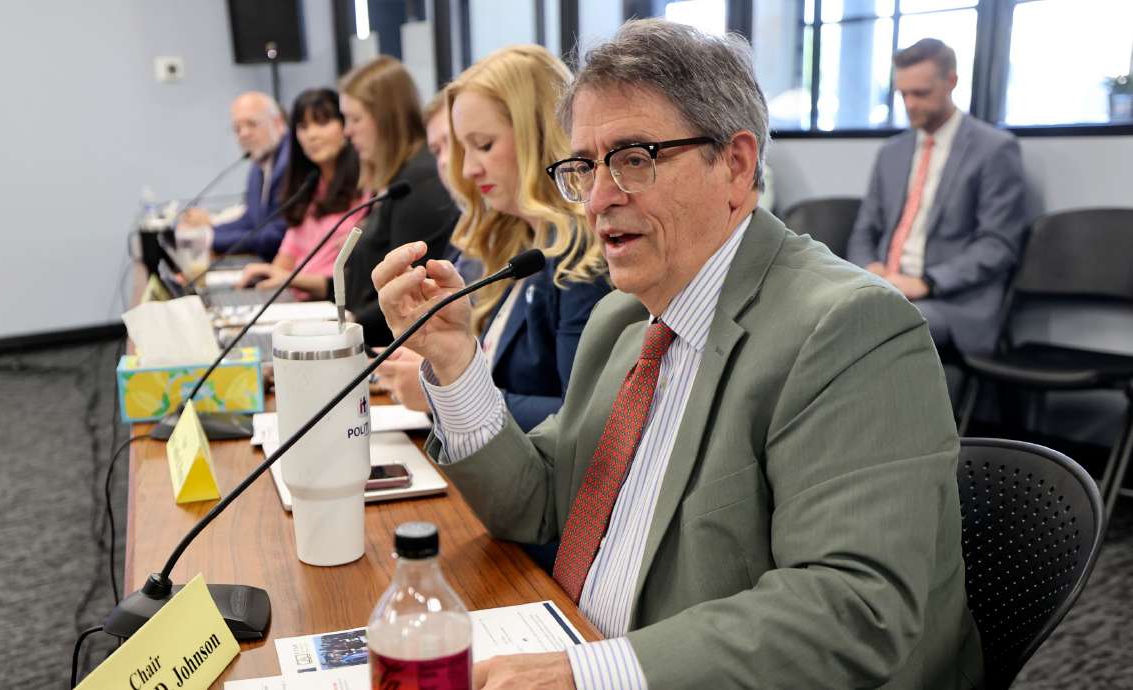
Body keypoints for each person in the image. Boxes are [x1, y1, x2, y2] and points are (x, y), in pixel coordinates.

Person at [372, 20, 982, 690]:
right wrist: (455, 361)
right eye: (584, 166)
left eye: (634, 158)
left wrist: (587, 675)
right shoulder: (623, 320)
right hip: (581, 639)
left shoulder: (849, 328)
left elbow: (853, 609)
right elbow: (538, 500)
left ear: (736, 164)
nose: (599, 197)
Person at [376, 46, 612, 433]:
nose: (468, 169)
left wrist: (452, 397)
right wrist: (445, 363)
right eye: (463, 149)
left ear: (537, 136)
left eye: (484, 145)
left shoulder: (581, 257)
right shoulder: (517, 240)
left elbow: (582, 422)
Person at [848, 38, 1027, 354]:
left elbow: (998, 244)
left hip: (950, 300)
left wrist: (928, 282)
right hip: (884, 286)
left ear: (951, 82)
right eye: (903, 94)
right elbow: (864, 230)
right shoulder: (891, 152)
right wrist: (870, 268)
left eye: (921, 93)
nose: (910, 104)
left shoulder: (994, 149)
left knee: (878, 325)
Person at [338, 56, 459, 345]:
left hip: (395, 347)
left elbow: (407, 290)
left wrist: (346, 327)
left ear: (386, 119)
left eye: (355, 119)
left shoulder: (418, 182)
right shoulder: (397, 178)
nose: (347, 131)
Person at [236, 89, 369, 300]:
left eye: (322, 122)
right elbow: (286, 257)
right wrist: (267, 278)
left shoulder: (367, 187)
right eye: (303, 127)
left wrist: (288, 279)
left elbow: (351, 282)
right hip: (298, 303)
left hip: (334, 304)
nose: (311, 135)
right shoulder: (309, 187)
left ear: (345, 126)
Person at [183, 91, 292, 261]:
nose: (243, 133)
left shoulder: (291, 162)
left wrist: (209, 238)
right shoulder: (258, 164)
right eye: (237, 128)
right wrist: (206, 233)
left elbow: (276, 236)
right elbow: (250, 221)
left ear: (277, 122)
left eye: (252, 124)